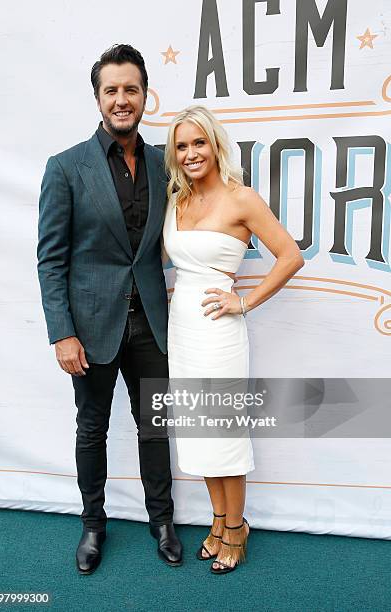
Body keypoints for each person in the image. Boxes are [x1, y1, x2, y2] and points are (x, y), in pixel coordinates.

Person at [37, 44, 182, 574]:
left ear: (146, 96)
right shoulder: (66, 167)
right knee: (90, 429)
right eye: (112, 90)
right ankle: (93, 526)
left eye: (132, 89)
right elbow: (50, 261)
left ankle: (162, 522)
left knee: (154, 428)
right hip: (91, 329)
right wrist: (62, 333)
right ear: (98, 97)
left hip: (151, 323)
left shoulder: (166, 163)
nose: (122, 99)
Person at [163, 105, 304, 574]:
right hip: (182, 328)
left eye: (198, 142)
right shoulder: (176, 199)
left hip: (219, 333)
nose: (190, 153)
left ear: (215, 145)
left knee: (222, 429)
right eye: (181, 146)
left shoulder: (242, 199)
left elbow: (290, 257)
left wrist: (242, 302)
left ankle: (238, 526)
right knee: (198, 429)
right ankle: (219, 521)